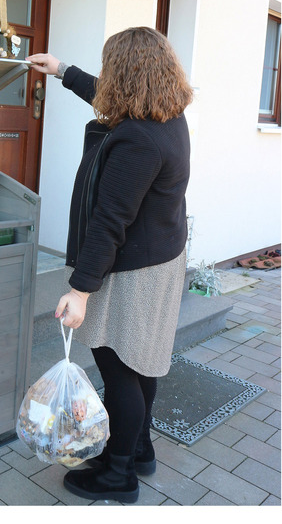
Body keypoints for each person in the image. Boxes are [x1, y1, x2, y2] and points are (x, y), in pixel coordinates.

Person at [27, 26, 193, 504]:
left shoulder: (138, 140)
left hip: (133, 271)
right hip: (160, 258)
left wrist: (79, 291)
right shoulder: (167, 114)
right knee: (142, 364)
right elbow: (107, 96)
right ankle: (138, 450)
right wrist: (61, 71)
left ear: (126, 74)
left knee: (120, 367)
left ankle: (119, 475)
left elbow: (110, 221)